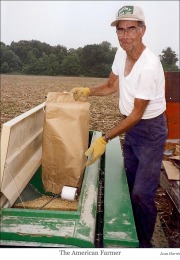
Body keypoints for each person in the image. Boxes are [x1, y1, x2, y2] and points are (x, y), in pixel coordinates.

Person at [71, 5, 167, 248]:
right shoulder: (120, 53)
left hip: (150, 130)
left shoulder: (150, 66)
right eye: (120, 30)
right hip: (132, 128)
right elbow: (112, 85)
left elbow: (137, 113)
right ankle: (132, 230)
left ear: (143, 30)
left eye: (131, 29)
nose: (125, 36)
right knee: (130, 182)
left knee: (142, 194)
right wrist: (88, 92)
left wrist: (104, 139)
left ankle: (145, 244)